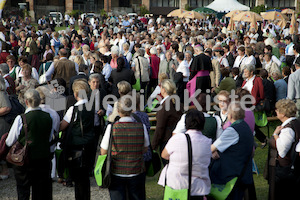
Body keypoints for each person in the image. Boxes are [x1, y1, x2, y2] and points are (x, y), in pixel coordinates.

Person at [6, 89, 53, 200]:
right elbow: (50, 137)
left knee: (23, 190)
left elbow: (9, 141)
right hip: (43, 158)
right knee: (40, 191)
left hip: (25, 159)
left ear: (26, 102)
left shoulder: (21, 118)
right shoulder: (48, 116)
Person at [100, 95, 149, 200]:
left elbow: (103, 151)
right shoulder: (141, 127)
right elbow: (145, 148)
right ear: (132, 110)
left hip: (117, 171)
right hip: (136, 170)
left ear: (118, 110)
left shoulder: (112, 128)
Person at [158, 109, 212, 199]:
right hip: (198, 187)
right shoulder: (207, 142)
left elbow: (164, 155)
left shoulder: (177, 138)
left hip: (177, 185)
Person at [210, 102, 254, 199]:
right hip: (243, 170)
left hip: (232, 173)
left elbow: (211, 148)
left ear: (230, 114)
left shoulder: (232, 130)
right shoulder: (245, 126)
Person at [60, 80, 95, 200]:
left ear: (75, 94)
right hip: (89, 143)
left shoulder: (73, 109)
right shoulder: (92, 108)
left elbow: (62, 126)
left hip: (76, 145)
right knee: (85, 177)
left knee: (78, 178)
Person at [267, 99, 300, 200]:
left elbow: (282, 151)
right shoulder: (296, 122)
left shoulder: (287, 129)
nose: (276, 111)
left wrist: (276, 135)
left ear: (283, 113)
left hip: (284, 169)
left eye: (277, 110)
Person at [152, 79, 183, 165]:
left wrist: (153, 146)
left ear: (164, 90)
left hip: (167, 141)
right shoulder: (177, 103)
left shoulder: (165, 106)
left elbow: (160, 127)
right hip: (178, 139)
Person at [0, 76, 11, 180]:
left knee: (1, 145)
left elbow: (7, 108)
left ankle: (5, 170)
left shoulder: (1, 93)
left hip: (2, 123)